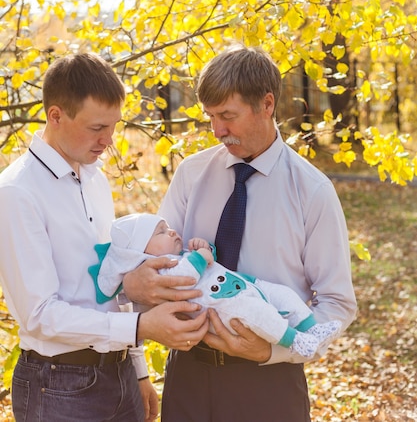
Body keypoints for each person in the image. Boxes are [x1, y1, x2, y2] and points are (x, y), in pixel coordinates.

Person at [122, 45, 358, 422]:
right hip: (187, 377)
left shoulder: (312, 191)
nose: (217, 130)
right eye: (210, 117)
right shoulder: (191, 174)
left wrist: (271, 352)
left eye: (228, 116)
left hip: (270, 384)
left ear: (267, 104)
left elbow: (337, 304)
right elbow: (151, 267)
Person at [0, 53, 209, 422]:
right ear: (56, 116)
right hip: (58, 385)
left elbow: (111, 283)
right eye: (97, 127)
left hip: (119, 374)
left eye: (113, 126)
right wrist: (142, 327)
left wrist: (138, 369)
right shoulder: (17, 192)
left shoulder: (95, 179)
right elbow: (39, 315)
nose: (108, 140)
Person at [89, 213, 342, 360]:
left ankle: (312, 328)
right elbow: (186, 275)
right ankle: (296, 340)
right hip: (228, 308)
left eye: (168, 227)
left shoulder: (181, 253)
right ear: (141, 250)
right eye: (162, 232)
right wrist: (200, 256)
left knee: (284, 294)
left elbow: (207, 264)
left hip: (244, 285)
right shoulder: (160, 268)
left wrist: (204, 248)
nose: (174, 232)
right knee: (257, 313)